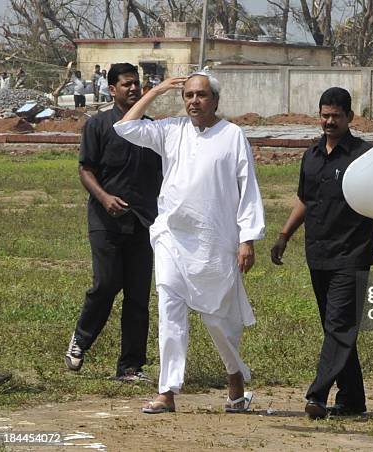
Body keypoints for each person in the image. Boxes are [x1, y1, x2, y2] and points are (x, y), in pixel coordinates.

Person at [113, 71, 265, 414]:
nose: (193, 101)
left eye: (200, 95)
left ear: (215, 100)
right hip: (170, 238)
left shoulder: (232, 136)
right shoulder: (170, 130)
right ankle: (167, 391)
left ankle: (235, 375)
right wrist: (158, 91)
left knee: (217, 318)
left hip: (215, 242)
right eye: (188, 96)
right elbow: (126, 127)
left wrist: (248, 238)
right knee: (170, 313)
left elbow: (248, 188)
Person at [270, 87, 373, 419]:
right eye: (324, 115)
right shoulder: (312, 155)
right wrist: (283, 236)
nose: (329, 121)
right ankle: (352, 399)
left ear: (350, 117)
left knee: (339, 327)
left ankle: (317, 396)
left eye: (336, 116)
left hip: (352, 255)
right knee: (336, 329)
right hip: (317, 253)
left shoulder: (365, 157)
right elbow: (305, 200)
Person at [65, 63, 162, 383]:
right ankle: (81, 338)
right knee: (106, 284)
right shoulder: (98, 125)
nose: (134, 89)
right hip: (105, 221)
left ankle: (130, 367)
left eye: (137, 84)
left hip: (142, 222)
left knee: (137, 296)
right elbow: (85, 170)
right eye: (127, 84)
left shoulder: (151, 129)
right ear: (112, 89)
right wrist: (105, 198)